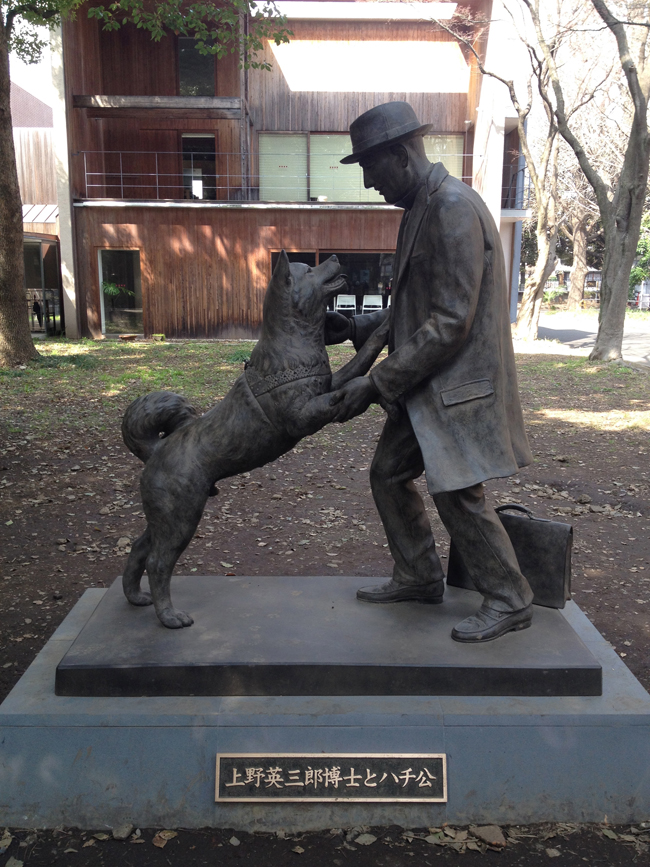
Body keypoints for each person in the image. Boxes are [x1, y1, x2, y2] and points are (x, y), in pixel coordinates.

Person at [326, 102, 534, 642]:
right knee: (389, 474)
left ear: (399, 154)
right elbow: (412, 306)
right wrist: (353, 327)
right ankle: (419, 576)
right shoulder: (421, 206)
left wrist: (375, 383)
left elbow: (448, 323)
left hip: (456, 388)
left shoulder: (451, 208)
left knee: (456, 494)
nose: (370, 183)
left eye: (371, 169)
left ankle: (510, 597)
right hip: (426, 387)